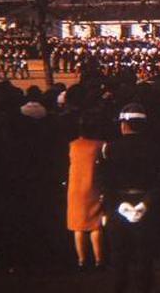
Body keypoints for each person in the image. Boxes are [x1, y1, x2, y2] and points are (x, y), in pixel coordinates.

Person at [101, 104, 160, 293]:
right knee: (144, 259)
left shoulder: (110, 148)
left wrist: (120, 205)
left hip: (118, 207)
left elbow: (105, 181)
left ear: (124, 124)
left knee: (119, 260)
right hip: (146, 207)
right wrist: (145, 204)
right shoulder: (155, 149)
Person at [67, 115, 105, 270]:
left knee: (78, 226)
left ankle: (82, 260)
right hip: (94, 186)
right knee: (95, 226)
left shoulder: (73, 145)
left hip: (75, 189)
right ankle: (99, 260)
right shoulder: (100, 145)